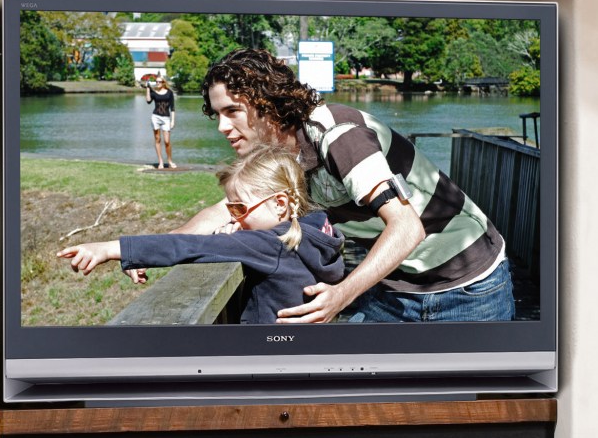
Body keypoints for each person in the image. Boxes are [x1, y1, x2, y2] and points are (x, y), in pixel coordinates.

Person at [182, 47, 514, 324]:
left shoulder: (338, 134)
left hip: (469, 287)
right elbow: (227, 210)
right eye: (217, 115)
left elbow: (408, 227)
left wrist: (340, 296)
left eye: (232, 111)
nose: (222, 127)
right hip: (397, 288)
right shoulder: (276, 157)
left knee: (471, 403)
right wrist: (148, 251)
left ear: (267, 103)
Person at [55, 148, 344, 326]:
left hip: (261, 356)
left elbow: (192, 245)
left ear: (280, 203)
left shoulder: (271, 243)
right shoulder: (316, 231)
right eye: (229, 207)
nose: (233, 216)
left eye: (239, 207)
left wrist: (110, 248)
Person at [144, 74, 178, 170]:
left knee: (167, 141)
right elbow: (148, 101)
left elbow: (173, 108)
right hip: (156, 117)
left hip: (166, 118)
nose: (157, 83)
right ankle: (161, 162)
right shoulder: (154, 92)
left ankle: (170, 160)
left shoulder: (169, 92)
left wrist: (172, 121)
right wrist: (147, 89)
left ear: (163, 83)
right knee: (157, 139)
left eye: (159, 82)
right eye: (156, 82)